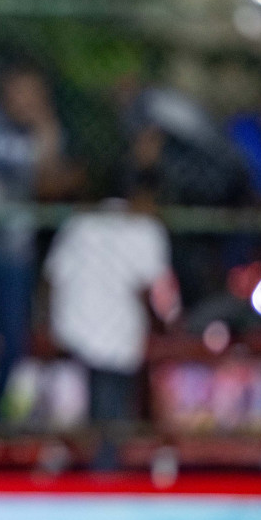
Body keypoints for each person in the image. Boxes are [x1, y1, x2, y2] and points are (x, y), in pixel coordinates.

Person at [0, 61, 76, 422]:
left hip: (14, 253)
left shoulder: (45, 131)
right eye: (19, 91)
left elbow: (50, 185)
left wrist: (44, 129)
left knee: (13, 338)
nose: (24, 99)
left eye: (33, 94)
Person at [43, 172, 178, 469]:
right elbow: (161, 298)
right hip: (114, 338)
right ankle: (104, 472)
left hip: (72, 334)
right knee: (110, 418)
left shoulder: (80, 223)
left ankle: (89, 468)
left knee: (89, 411)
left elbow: (51, 278)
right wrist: (173, 327)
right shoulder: (145, 229)